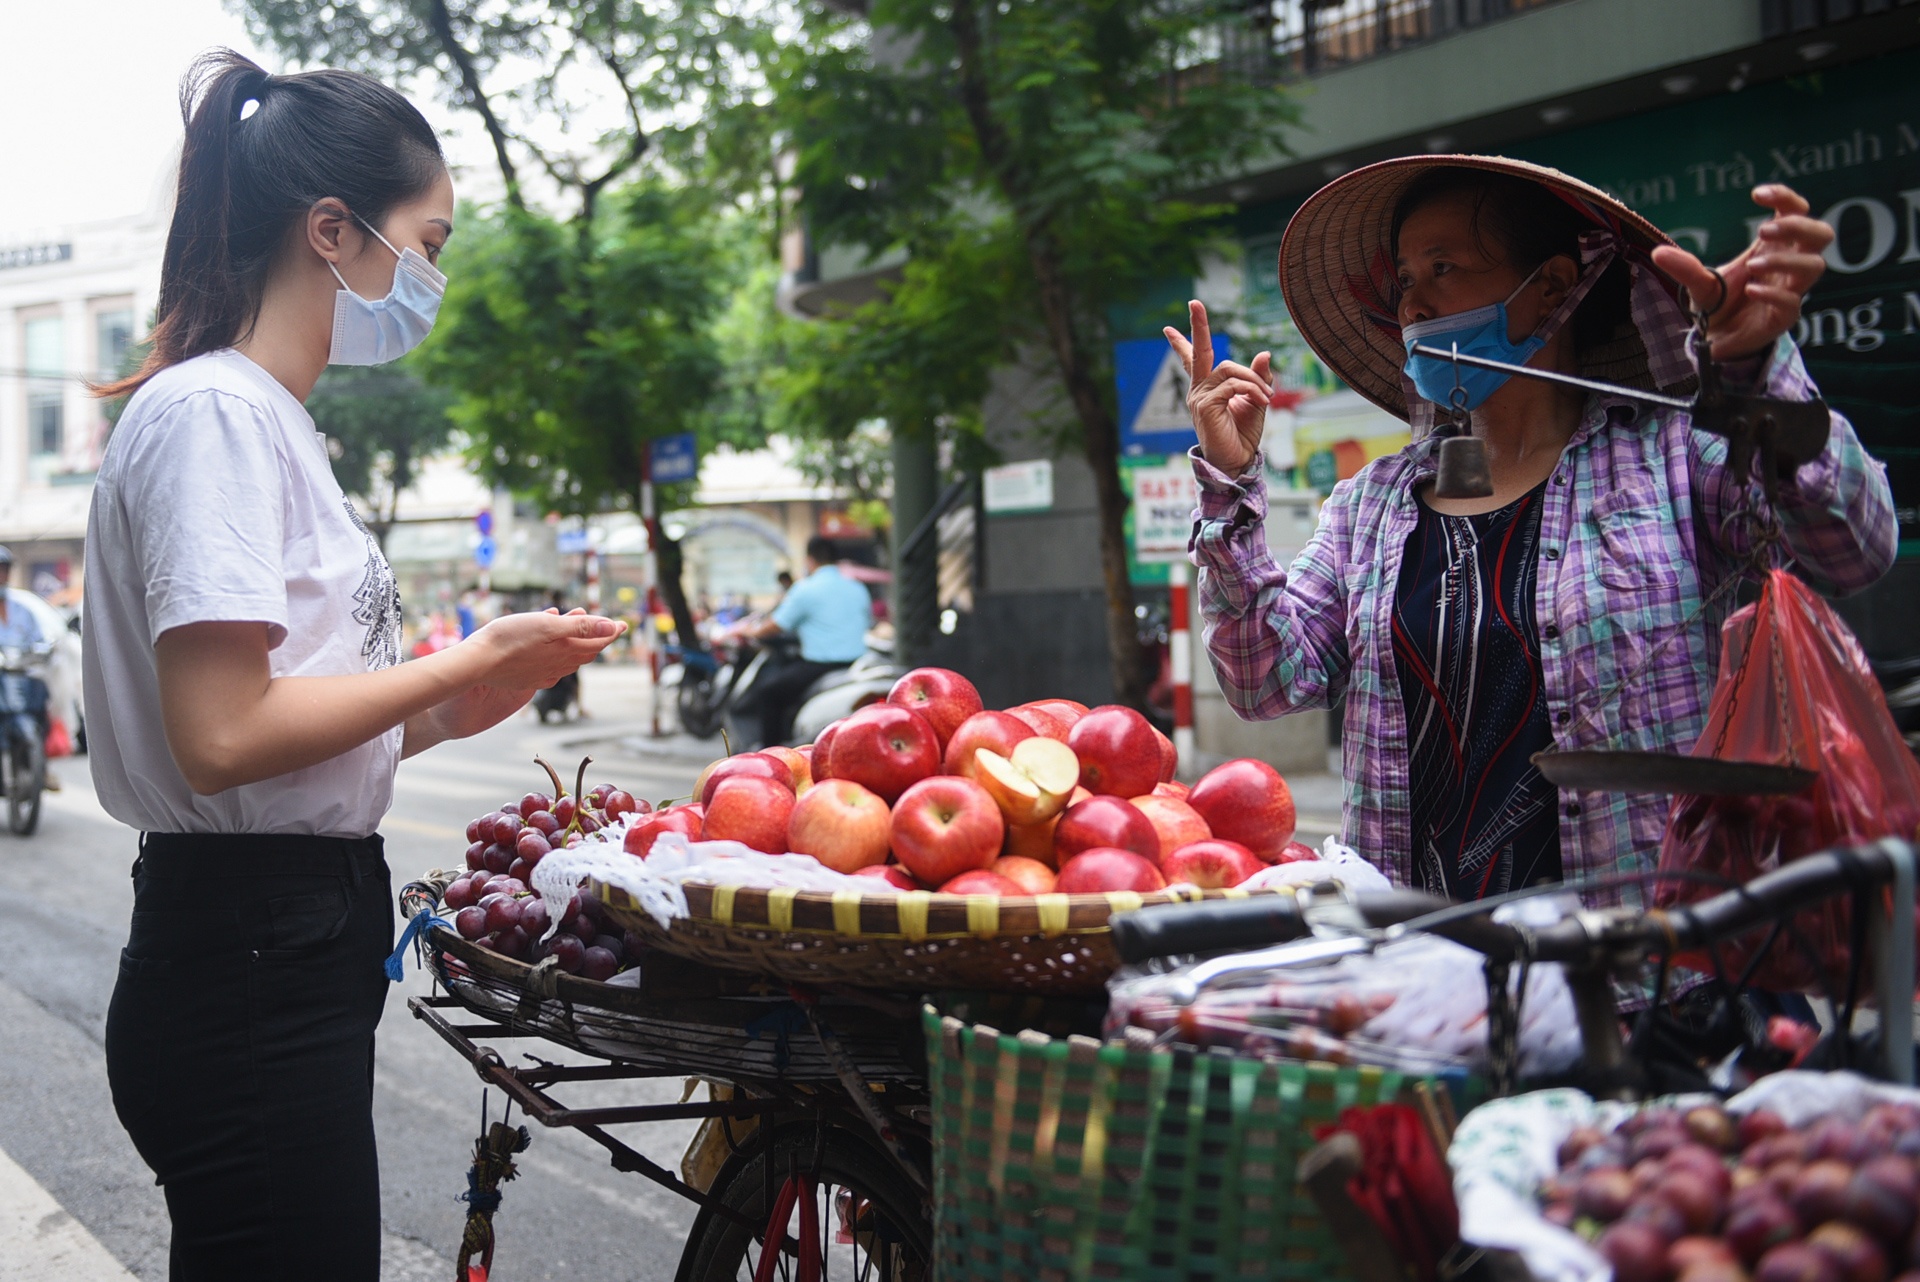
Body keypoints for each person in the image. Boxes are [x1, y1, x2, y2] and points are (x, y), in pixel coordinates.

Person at [84, 52, 623, 1281]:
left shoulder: (269, 419)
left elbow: (288, 730)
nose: (428, 275)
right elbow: (222, 736)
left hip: (273, 939)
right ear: (330, 229)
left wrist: (457, 700)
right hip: (247, 954)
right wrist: (451, 664)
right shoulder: (218, 413)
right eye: (423, 240)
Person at [1169, 158, 1894, 906]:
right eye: (1404, 281)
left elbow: (1857, 546)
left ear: (1551, 283)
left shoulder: (1673, 462)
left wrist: (1758, 376)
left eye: (1443, 267)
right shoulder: (1372, 505)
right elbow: (1264, 680)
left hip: (1638, 971)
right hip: (1428, 963)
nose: (1413, 304)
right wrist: (1230, 487)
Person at [735, 536, 872, 746]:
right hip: (859, 663)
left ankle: (772, 754)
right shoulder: (858, 588)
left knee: (768, 694)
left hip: (820, 666)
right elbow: (867, 622)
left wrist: (751, 632)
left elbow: (775, 625)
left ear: (809, 560)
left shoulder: (805, 588)